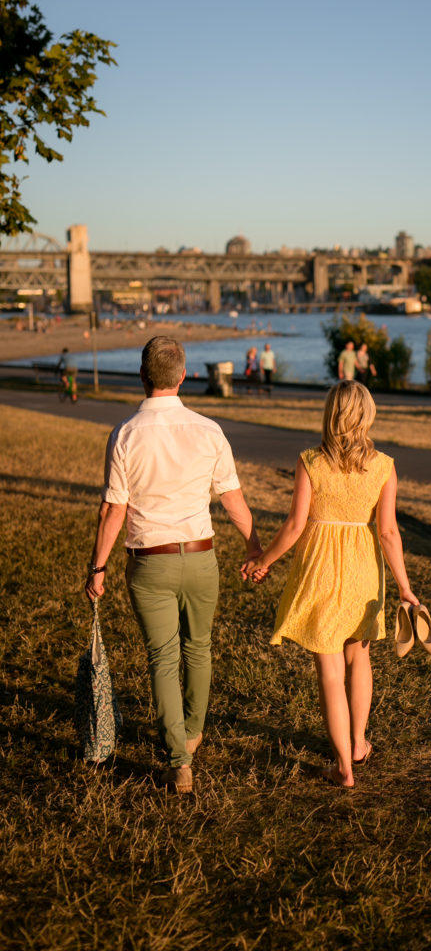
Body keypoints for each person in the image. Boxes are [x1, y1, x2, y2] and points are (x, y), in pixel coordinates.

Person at [85, 336, 263, 794]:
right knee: (198, 648)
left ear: (143, 378)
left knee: (163, 658)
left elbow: (113, 511)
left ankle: (178, 759)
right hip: (202, 558)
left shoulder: (125, 434)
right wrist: (254, 546)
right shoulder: (209, 431)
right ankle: (192, 731)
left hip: (150, 563)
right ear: (183, 377)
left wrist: (97, 568)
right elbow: (233, 500)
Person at [241, 380, 419, 789]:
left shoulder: (311, 461)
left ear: (330, 414)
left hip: (319, 569)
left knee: (329, 668)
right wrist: (404, 587)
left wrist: (262, 560)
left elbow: (295, 525)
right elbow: (389, 532)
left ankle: (344, 766)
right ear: (367, 415)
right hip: (362, 570)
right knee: (359, 659)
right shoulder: (384, 465)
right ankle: (357, 744)